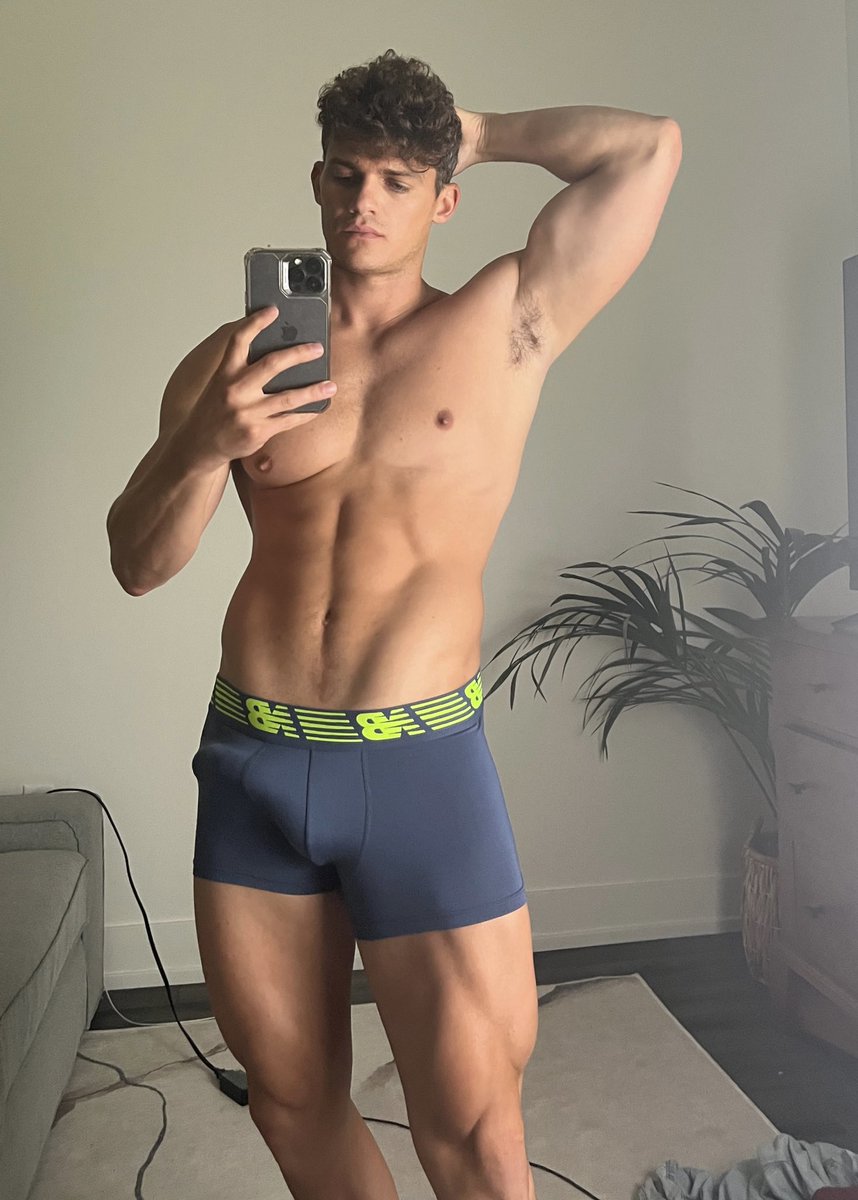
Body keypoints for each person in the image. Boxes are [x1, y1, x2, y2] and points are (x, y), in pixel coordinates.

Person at [106, 48, 680, 1200]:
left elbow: (648, 149)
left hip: (418, 767)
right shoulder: (238, 362)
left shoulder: (509, 320)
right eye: (345, 174)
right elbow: (137, 562)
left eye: (398, 179)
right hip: (255, 760)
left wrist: (480, 129)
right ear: (316, 183)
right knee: (290, 1101)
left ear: (443, 198)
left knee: (470, 1129)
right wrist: (207, 444)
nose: (364, 200)